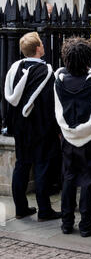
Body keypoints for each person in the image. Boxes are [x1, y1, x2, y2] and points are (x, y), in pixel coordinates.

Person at [54, 38, 91, 237]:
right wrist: (89, 130)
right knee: (88, 180)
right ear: (88, 58)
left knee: (69, 178)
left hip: (68, 137)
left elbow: (58, 110)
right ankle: (86, 224)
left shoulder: (59, 82)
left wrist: (69, 130)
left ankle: (66, 222)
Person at [5, 32, 61, 221]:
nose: (44, 46)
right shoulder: (46, 72)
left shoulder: (15, 68)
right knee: (41, 167)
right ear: (38, 49)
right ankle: (44, 210)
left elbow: (10, 100)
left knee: (21, 165)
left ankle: (20, 208)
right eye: (42, 44)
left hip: (20, 126)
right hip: (40, 128)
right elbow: (49, 104)